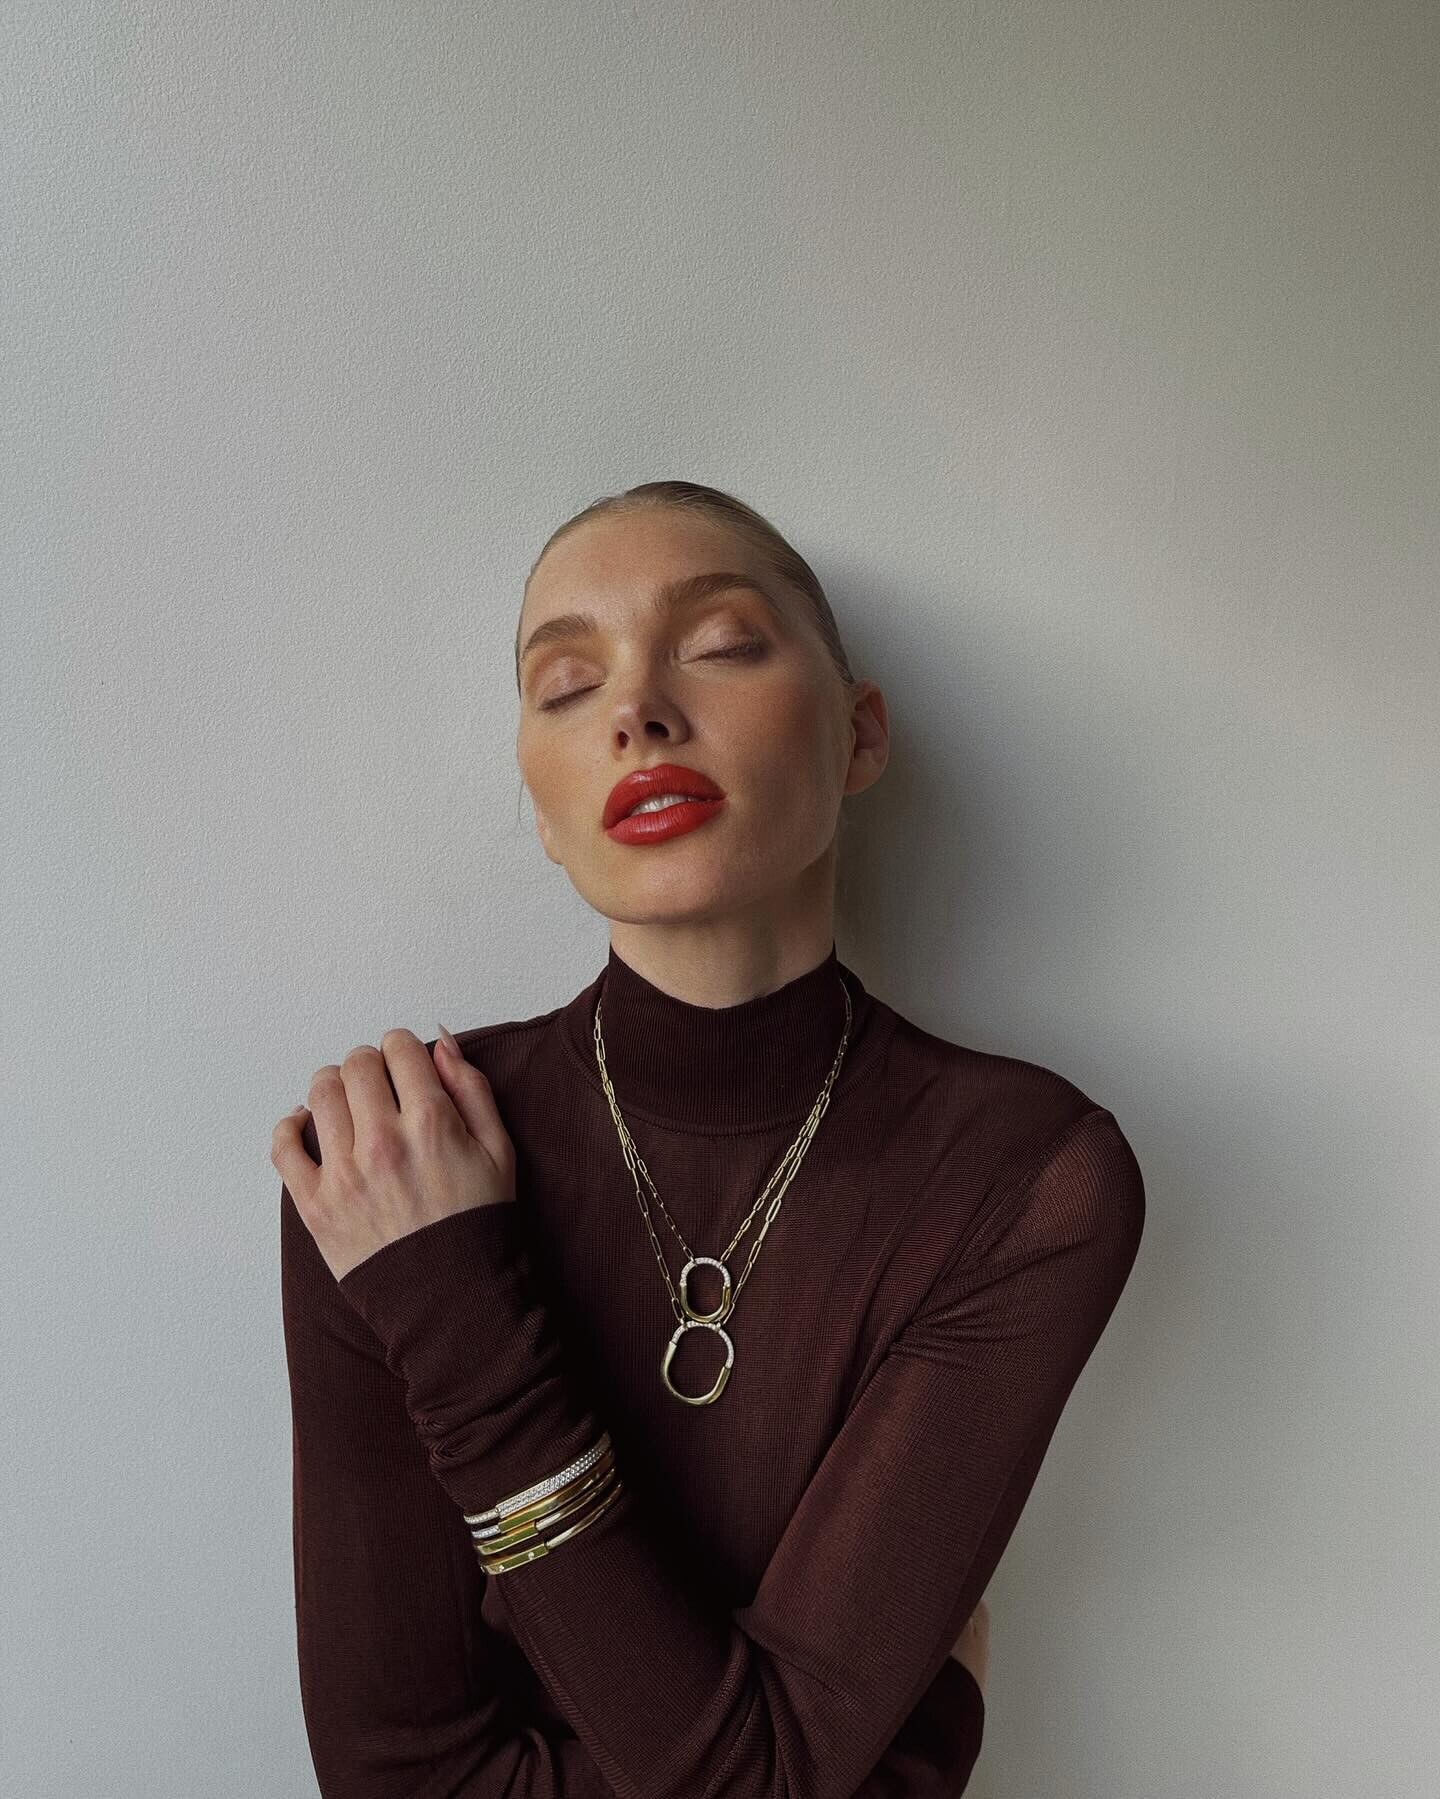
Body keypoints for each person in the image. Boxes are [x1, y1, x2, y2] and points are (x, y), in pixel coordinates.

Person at [274, 480, 1144, 1797]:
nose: (636, 710)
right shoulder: (392, 1159)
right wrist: (906, 1761)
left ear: (859, 737)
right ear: (541, 804)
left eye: (724, 645)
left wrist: (463, 1329)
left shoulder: (1026, 1180)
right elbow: (398, 1780)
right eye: (568, 685)